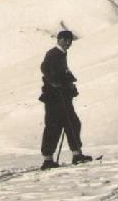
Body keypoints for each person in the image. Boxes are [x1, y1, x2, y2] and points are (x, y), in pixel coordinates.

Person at [38, 29, 92, 169]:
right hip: (54, 97)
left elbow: (62, 72)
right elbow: (44, 68)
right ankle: (48, 159)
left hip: (61, 96)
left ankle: (75, 155)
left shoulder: (62, 53)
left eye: (70, 41)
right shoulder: (53, 53)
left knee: (71, 123)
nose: (69, 43)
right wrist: (55, 82)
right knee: (55, 126)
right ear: (59, 40)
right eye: (66, 40)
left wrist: (69, 83)